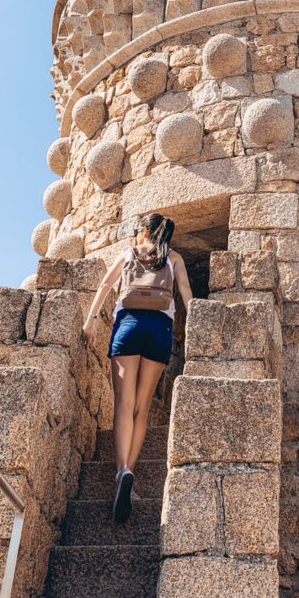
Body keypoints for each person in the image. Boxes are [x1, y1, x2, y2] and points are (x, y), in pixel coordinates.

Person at [83, 213, 192, 524]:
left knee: (123, 404)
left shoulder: (129, 253)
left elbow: (107, 283)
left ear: (144, 230)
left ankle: (122, 472)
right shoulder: (174, 258)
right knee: (142, 408)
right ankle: (131, 468)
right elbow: (185, 293)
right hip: (159, 330)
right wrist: (197, 321)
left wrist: (90, 322)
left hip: (129, 324)